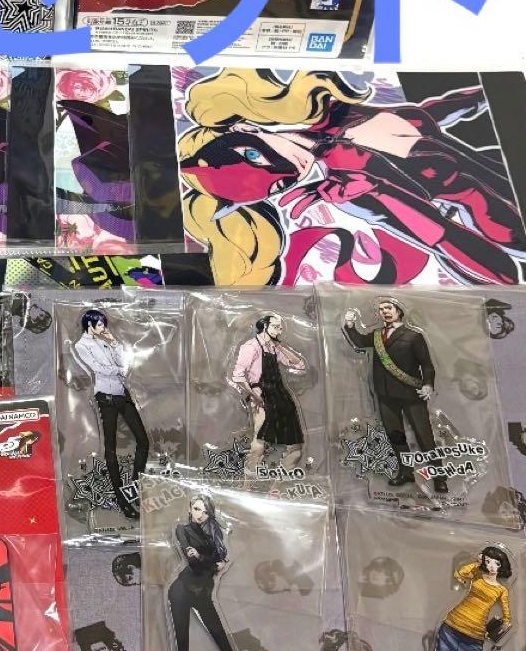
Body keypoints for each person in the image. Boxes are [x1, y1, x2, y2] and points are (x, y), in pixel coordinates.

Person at [176, 69, 525, 286]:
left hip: (504, 158)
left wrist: (493, 92)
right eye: (279, 185)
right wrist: (381, 195)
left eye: (255, 156)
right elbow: (488, 265)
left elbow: (440, 110)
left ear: (245, 129)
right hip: (503, 218)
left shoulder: (331, 112)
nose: (290, 170)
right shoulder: (347, 186)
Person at [342, 298, 447, 493]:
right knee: (396, 436)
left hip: (411, 393)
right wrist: (350, 324)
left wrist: (428, 385)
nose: (385, 312)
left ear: (399, 311)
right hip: (385, 394)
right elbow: (358, 341)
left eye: (389, 308)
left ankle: (439, 476)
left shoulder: (414, 336)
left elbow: (426, 364)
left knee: (424, 436)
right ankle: (406, 472)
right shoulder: (376, 336)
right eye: (381, 309)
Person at [73, 309, 149, 520]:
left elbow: (123, 361)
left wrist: (114, 342)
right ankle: (122, 500)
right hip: (105, 398)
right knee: (110, 448)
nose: (103, 328)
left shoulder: (103, 341)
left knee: (143, 440)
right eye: (100, 324)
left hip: (121, 394)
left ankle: (134, 487)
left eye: (104, 324)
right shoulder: (81, 345)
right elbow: (99, 368)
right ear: (89, 325)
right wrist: (117, 368)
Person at [230, 314, 306, 474]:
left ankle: (279, 481)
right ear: (265, 326)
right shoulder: (251, 346)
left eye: (281, 328)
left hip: (281, 394)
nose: (279, 331)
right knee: (260, 443)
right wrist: (254, 396)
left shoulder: (273, 348)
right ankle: (248, 480)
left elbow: (299, 365)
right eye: (276, 327)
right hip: (261, 395)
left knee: (295, 445)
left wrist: (279, 346)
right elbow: (238, 375)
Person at [167, 495, 236, 651]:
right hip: (182, 590)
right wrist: (213, 565)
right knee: (182, 642)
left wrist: (206, 559)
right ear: (189, 509)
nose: (199, 515)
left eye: (205, 512)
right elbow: (193, 563)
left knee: (222, 639)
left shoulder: (214, 534)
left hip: (203, 591)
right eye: (196, 509)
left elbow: (220, 558)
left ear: (209, 514)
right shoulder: (182, 530)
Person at [436, 546, 513, 650]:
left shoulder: (502, 590)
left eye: (497, 563)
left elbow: (506, 614)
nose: (492, 566)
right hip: (452, 625)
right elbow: (461, 573)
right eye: (488, 561)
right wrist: (477, 563)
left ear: (502, 565)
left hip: (475, 635)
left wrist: (503, 625)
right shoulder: (477, 576)